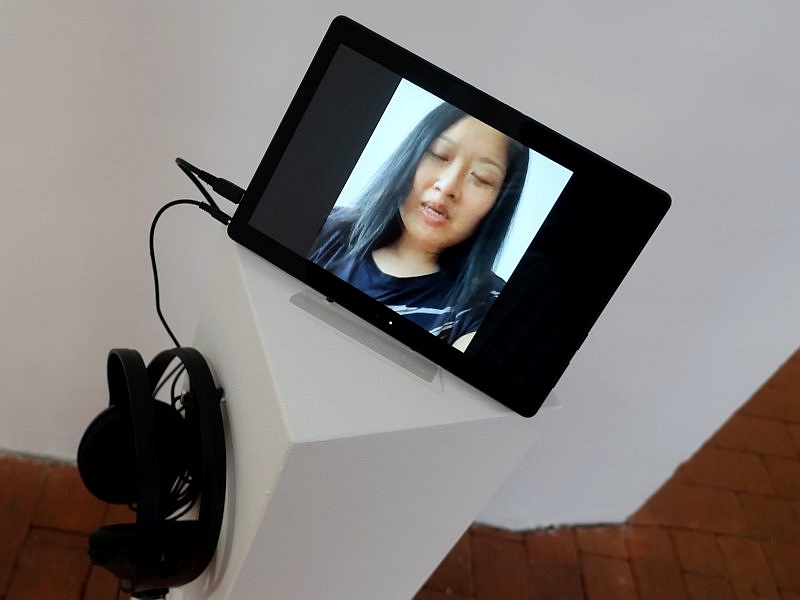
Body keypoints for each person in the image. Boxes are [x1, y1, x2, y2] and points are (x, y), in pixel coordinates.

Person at [309, 102, 529, 351]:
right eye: (440, 155)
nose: (447, 186)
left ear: (499, 203)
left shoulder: (486, 309)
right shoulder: (328, 229)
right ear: (413, 153)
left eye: (481, 178)